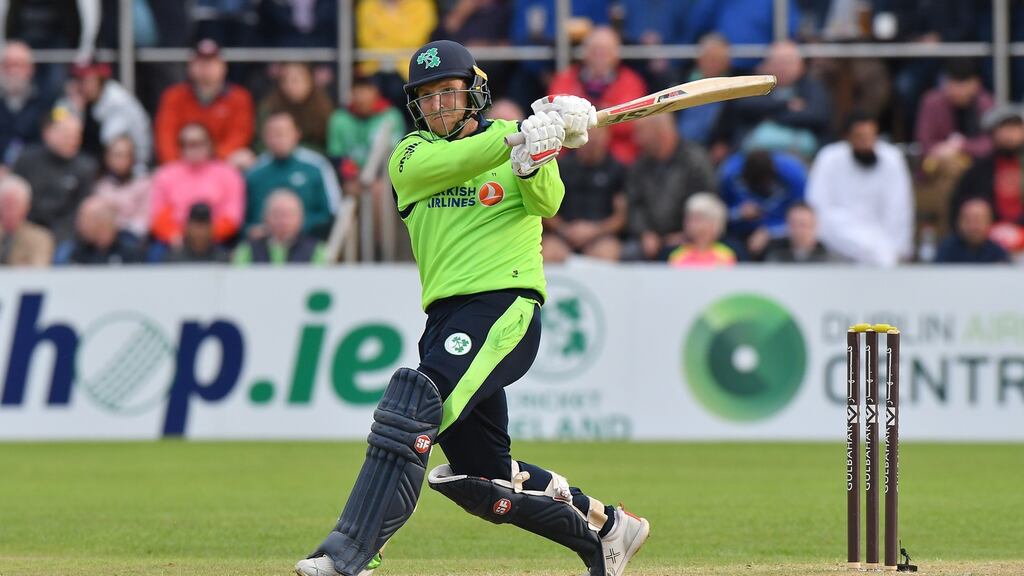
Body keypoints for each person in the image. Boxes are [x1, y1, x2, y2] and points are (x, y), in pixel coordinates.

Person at [295, 39, 649, 576]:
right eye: (428, 97)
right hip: (445, 318)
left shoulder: (512, 153)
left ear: (472, 92)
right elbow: (464, 159)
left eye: (449, 93)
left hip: (504, 305)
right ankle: (605, 529)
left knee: (413, 407)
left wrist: (538, 155)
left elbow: (547, 202)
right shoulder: (410, 157)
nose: (439, 106)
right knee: (482, 477)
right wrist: (522, 135)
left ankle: (349, 554)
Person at [806, 111, 913, 267]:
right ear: (848, 137)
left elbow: (899, 210)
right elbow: (818, 208)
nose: (867, 143)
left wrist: (895, 251)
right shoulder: (829, 158)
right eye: (860, 137)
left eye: (871, 137)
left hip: (884, 250)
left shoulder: (892, 159)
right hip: (837, 246)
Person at [623, 113, 716, 261]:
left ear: (659, 132)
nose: (636, 139)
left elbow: (706, 202)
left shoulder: (694, 160)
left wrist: (687, 233)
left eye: (641, 132)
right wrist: (645, 233)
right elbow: (635, 205)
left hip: (691, 237)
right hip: (649, 240)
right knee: (628, 254)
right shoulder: (640, 165)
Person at [548, 26, 647, 165]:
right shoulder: (565, 79)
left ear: (616, 54)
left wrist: (590, 123)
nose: (600, 55)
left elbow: (632, 120)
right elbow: (553, 112)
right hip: (571, 154)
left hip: (617, 156)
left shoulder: (631, 81)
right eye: (595, 50)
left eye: (605, 51)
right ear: (585, 52)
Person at [154, 38, 255, 167]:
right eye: (200, 62)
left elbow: (239, 137)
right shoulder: (174, 96)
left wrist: (208, 165)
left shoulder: (239, 97)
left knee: (244, 158)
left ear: (223, 66)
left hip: (222, 166)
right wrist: (179, 167)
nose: (206, 68)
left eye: (211, 63)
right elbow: (165, 138)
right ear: (190, 66)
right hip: (181, 167)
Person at [245, 112, 341, 240]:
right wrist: (252, 229)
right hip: (263, 245)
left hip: (309, 241)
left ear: (297, 134)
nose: (277, 139)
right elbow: (244, 218)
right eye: (272, 134)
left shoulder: (317, 166)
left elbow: (332, 211)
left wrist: (295, 226)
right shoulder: (254, 172)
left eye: (282, 133)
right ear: (264, 137)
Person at [150, 123, 244, 247]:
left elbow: (232, 216)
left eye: (199, 143)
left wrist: (204, 236)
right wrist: (174, 235)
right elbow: (157, 215)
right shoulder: (165, 175)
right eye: (188, 144)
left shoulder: (229, 174)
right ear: (180, 147)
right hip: (174, 240)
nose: (194, 148)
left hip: (217, 239)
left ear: (210, 144)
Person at [14, 106, 97, 243]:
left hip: (65, 236)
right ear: (47, 133)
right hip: (26, 230)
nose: (72, 140)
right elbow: (16, 201)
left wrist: (56, 237)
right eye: (66, 134)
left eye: (77, 135)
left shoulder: (86, 168)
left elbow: (80, 210)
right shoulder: (26, 160)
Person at [542, 127, 626, 262]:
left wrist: (595, 231)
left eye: (598, 135)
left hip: (601, 236)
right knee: (548, 252)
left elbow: (621, 216)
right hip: (562, 234)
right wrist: (564, 229)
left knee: (607, 253)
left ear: (607, 137)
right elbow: (543, 207)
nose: (592, 140)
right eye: (588, 135)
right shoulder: (560, 167)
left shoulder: (617, 170)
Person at [949, 105, 1024, 256]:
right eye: (1005, 128)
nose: (1010, 135)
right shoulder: (978, 170)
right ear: (993, 133)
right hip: (986, 242)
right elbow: (958, 206)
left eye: (1015, 128)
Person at [63, 60, 151, 171]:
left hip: (131, 167)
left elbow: (106, 140)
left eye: (90, 81)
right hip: (92, 163)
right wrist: (76, 110)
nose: (85, 86)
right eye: (81, 80)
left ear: (101, 80)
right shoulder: (77, 98)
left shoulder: (117, 100)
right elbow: (59, 123)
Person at [718, 148, 806, 258]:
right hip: (738, 232)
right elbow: (718, 213)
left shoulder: (794, 175)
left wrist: (769, 232)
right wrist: (739, 213)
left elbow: (802, 218)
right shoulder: (729, 173)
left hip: (778, 233)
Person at [233, 190, 326, 265]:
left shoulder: (316, 249)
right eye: (277, 214)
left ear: (300, 218)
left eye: (289, 214)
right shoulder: (247, 249)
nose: (283, 220)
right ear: (265, 217)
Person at [258, 62, 334, 152]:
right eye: (285, 80)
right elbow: (260, 144)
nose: (291, 86)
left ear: (310, 81)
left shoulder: (323, 109)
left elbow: (328, 147)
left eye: (296, 80)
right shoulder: (269, 107)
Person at [0, 42, 54, 167]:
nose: (13, 71)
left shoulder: (46, 99)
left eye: (19, 65)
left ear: (31, 69)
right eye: (7, 65)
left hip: (34, 170)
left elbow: (48, 141)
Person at [53, 195, 141, 265]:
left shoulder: (129, 251)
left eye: (85, 219)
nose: (79, 224)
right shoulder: (73, 251)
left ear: (103, 222)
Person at [91, 136, 150, 239]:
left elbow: (144, 219)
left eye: (126, 155)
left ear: (132, 159)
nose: (121, 160)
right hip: (101, 235)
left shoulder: (143, 183)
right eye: (117, 155)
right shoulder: (99, 184)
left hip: (131, 237)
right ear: (107, 157)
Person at [664, 192, 738, 267]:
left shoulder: (726, 255)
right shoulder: (676, 255)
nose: (690, 223)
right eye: (688, 218)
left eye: (697, 219)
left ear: (714, 223)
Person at [936, 197, 1010, 263]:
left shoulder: (998, 253)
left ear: (989, 222)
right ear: (959, 222)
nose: (973, 226)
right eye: (968, 220)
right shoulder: (946, 250)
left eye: (978, 220)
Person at [0, 175, 54, 266]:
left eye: (15, 204)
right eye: (6, 203)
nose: (10, 209)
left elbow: (36, 271)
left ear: (27, 207)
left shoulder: (40, 238)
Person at [762, 201, 832, 263]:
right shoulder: (776, 254)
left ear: (814, 225)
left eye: (803, 225)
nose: (798, 230)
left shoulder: (828, 259)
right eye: (794, 225)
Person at [162, 202, 229, 263]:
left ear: (211, 228)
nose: (200, 232)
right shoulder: (173, 259)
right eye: (196, 226)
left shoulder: (222, 259)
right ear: (187, 227)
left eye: (203, 225)